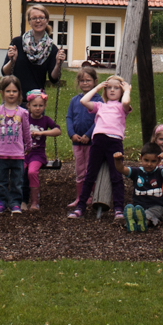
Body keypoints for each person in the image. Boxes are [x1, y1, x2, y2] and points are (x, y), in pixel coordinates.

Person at [0, 4, 67, 201]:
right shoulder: (17, 42)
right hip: (13, 102)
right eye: (34, 18)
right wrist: (11, 59)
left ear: (47, 20)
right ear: (29, 21)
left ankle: (22, 195)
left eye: (41, 17)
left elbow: (53, 78)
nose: (38, 20)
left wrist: (59, 63)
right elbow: (5, 71)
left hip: (34, 105)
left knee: (26, 149)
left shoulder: (52, 48)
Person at [70, 75, 131, 219]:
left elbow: (126, 101)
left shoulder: (122, 107)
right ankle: (80, 207)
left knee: (116, 175)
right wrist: (97, 88)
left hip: (114, 142)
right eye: (109, 87)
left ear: (122, 91)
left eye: (116, 88)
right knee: (90, 174)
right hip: (98, 141)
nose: (112, 90)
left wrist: (127, 89)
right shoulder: (100, 106)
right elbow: (84, 101)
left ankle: (118, 208)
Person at [0, 77, 32, 214]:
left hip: (18, 154)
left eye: (14, 91)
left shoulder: (23, 113)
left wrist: (29, 145)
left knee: (17, 181)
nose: (11, 94)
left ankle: (15, 203)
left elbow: (26, 131)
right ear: (2, 93)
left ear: (19, 93)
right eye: (8, 91)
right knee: (1, 180)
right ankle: (1, 202)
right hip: (1, 153)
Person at [64, 66, 99, 209]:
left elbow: (99, 120)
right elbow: (69, 117)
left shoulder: (98, 101)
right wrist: (72, 134)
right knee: (79, 170)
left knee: (90, 170)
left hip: (91, 142)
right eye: (82, 80)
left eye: (88, 80)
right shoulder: (74, 100)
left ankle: (92, 196)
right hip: (77, 142)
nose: (85, 83)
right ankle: (80, 197)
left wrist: (88, 135)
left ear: (95, 82)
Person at [24, 90, 61, 211]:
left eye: (40, 105)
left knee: (32, 172)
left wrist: (42, 133)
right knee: (19, 171)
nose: (37, 108)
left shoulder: (45, 120)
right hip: (24, 153)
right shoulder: (24, 118)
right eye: (34, 105)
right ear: (28, 106)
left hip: (37, 155)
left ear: (45, 106)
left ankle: (35, 201)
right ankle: (19, 199)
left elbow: (57, 131)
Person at [123, 147, 163, 232]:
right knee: (138, 211)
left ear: (159, 161)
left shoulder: (159, 172)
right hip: (139, 206)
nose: (149, 164)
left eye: (153, 161)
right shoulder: (137, 172)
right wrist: (117, 160)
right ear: (141, 158)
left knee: (150, 215)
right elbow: (122, 169)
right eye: (146, 160)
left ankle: (140, 222)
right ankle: (134, 222)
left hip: (156, 206)